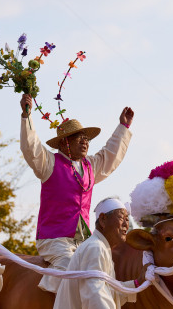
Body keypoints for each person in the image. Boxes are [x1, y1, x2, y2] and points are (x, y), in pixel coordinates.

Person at [19, 94, 135, 293]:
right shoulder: (50, 163)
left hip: (84, 240)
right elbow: (31, 147)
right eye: (79, 138)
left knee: (106, 270)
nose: (85, 142)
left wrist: (123, 127)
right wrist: (27, 116)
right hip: (54, 239)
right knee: (71, 269)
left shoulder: (90, 166)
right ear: (64, 143)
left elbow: (110, 155)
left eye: (87, 138)